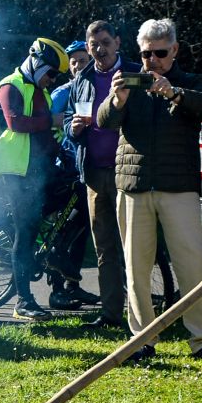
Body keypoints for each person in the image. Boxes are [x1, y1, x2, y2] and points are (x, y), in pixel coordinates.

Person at [98, 19, 202, 362]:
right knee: (136, 268)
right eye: (145, 54)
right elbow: (103, 121)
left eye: (160, 53)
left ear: (175, 50)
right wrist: (117, 98)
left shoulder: (188, 82)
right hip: (134, 186)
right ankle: (142, 340)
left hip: (178, 185)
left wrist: (173, 92)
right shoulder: (128, 80)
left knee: (192, 265)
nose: (152, 60)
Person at [64, 21, 141, 330]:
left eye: (105, 42)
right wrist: (73, 128)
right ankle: (110, 314)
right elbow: (70, 119)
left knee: (136, 246)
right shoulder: (82, 79)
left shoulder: (136, 73)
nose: (100, 48)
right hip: (95, 174)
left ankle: (142, 316)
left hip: (129, 171)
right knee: (106, 248)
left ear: (118, 42)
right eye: (94, 43)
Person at [0, 37, 70, 319]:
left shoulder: (42, 92)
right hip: (15, 170)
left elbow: (46, 136)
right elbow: (15, 122)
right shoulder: (10, 85)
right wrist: (53, 120)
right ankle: (23, 301)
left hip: (38, 169)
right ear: (37, 63)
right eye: (51, 73)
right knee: (25, 234)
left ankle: (60, 280)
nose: (53, 79)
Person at [43, 41, 97, 312]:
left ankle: (71, 287)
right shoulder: (63, 91)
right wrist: (71, 117)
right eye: (73, 61)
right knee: (62, 228)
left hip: (85, 167)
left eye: (82, 59)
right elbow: (48, 118)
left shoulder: (96, 88)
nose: (78, 64)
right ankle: (57, 291)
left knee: (80, 231)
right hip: (65, 166)